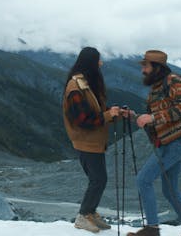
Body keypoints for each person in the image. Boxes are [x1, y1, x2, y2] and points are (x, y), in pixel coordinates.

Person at [125, 50, 181, 236]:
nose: (142, 70)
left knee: (144, 180)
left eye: (145, 66)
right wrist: (135, 116)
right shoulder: (158, 86)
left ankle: (152, 230)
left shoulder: (174, 81)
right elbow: (158, 117)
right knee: (170, 191)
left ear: (156, 67)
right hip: (169, 142)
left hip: (175, 142)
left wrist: (151, 117)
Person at [63, 47, 120, 233]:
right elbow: (83, 120)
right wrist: (108, 115)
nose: (101, 63)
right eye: (98, 60)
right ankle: (83, 215)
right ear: (90, 63)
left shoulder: (85, 83)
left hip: (93, 140)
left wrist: (113, 113)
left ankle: (91, 213)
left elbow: (94, 110)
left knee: (98, 179)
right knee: (98, 180)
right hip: (86, 140)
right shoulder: (75, 87)